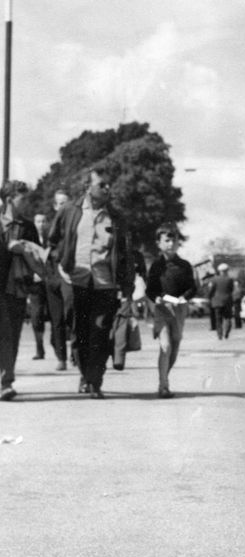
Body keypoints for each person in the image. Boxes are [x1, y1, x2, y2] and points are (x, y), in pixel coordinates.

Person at [47, 165, 134, 399]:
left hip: (105, 284)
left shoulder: (116, 217)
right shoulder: (69, 211)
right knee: (79, 333)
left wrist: (127, 288)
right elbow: (53, 241)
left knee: (100, 333)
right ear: (87, 187)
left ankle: (95, 381)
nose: (107, 188)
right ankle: (85, 375)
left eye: (108, 184)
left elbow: (126, 254)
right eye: (101, 184)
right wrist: (60, 266)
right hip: (76, 282)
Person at [0, 181, 41, 400]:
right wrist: (8, 249)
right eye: (22, 199)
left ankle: (5, 381)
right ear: (9, 200)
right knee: (4, 334)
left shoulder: (28, 226)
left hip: (18, 287)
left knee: (12, 335)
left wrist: (25, 251)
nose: (26, 203)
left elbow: (37, 255)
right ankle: (4, 382)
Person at [145, 223, 196, 398]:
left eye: (173, 240)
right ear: (159, 243)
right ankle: (163, 386)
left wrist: (184, 298)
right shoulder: (155, 266)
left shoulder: (184, 265)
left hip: (179, 309)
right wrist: (156, 298)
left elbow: (192, 288)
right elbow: (150, 289)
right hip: (161, 309)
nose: (170, 244)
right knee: (165, 346)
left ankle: (164, 378)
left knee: (174, 348)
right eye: (166, 240)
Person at [45, 188, 75, 371]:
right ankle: (61, 357)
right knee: (56, 319)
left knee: (70, 314)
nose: (63, 206)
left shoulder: (73, 227)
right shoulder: (49, 228)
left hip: (68, 277)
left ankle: (75, 353)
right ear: (55, 206)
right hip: (51, 276)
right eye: (60, 203)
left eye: (66, 202)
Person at [28, 212, 51, 360]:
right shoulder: (30, 240)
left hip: (50, 282)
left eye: (43, 221)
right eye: (38, 221)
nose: (40, 224)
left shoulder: (51, 240)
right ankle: (39, 347)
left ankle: (57, 345)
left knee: (56, 317)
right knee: (36, 317)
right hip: (35, 285)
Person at [208, 262, 234, 339]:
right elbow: (231, 290)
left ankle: (220, 334)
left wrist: (209, 297)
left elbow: (211, 290)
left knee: (218, 319)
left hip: (217, 302)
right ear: (227, 270)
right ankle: (227, 332)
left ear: (219, 271)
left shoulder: (214, 279)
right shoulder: (230, 279)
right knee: (228, 318)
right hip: (227, 301)